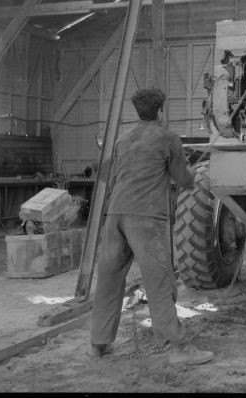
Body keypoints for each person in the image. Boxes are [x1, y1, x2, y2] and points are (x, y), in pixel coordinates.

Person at [90, 88, 214, 365]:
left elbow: (104, 176)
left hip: (115, 215)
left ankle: (98, 344)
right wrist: (196, 174)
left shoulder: (124, 139)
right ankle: (179, 347)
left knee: (109, 279)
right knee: (159, 282)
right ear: (161, 111)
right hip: (146, 219)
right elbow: (184, 180)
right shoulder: (167, 138)